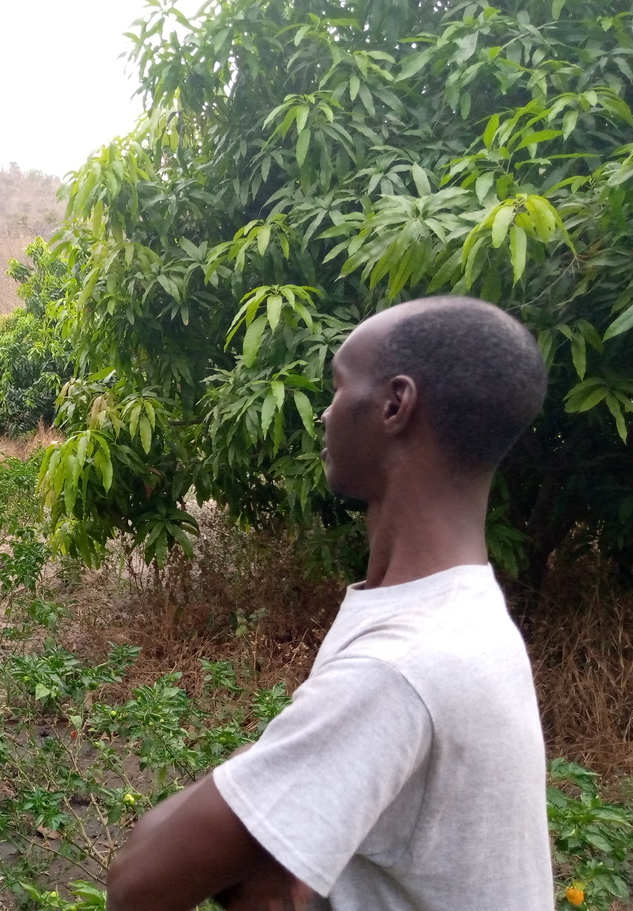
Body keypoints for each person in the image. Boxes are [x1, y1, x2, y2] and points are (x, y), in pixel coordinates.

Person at [106, 296, 553, 911]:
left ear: (396, 404)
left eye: (339, 387)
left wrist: (268, 808)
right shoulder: (463, 610)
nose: (324, 413)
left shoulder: (399, 667)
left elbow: (137, 882)